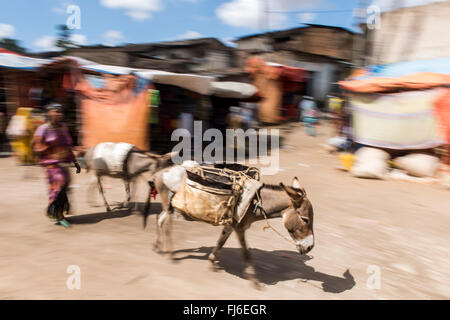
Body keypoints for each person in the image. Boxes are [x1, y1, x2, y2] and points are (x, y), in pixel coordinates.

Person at [32, 103, 81, 227]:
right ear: (49, 113)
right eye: (56, 111)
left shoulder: (63, 127)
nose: (59, 114)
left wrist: (75, 162)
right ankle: (59, 215)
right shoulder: (43, 129)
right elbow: (36, 146)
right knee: (58, 185)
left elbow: (68, 146)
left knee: (65, 188)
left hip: (63, 163)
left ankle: (58, 213)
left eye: (60, 112)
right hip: (51, 165)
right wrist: (50, 152)